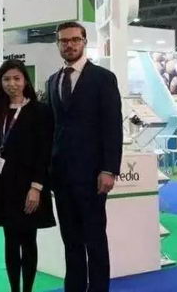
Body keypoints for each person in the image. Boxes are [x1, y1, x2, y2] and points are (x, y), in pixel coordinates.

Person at [47, 22, 123, 292]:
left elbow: (112, 126)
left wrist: (109, 169)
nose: (69, 45)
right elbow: (53, 128)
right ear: (58, 44)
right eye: (63, 41)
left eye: (74, 40)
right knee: (71, 241)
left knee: (95, 240)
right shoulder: (52, 80)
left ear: (84, 41)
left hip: (93, 177)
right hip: (61, 177)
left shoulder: (103, 78)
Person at [0, 59, 55, 292]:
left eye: (16, 78)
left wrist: (36, 187)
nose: (12, 84)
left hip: (30, 187)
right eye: (6, 79)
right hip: (4, 187)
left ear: (25, 81)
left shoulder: (41, 111)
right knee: (10, 242)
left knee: (28, 241)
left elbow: (44, 152)